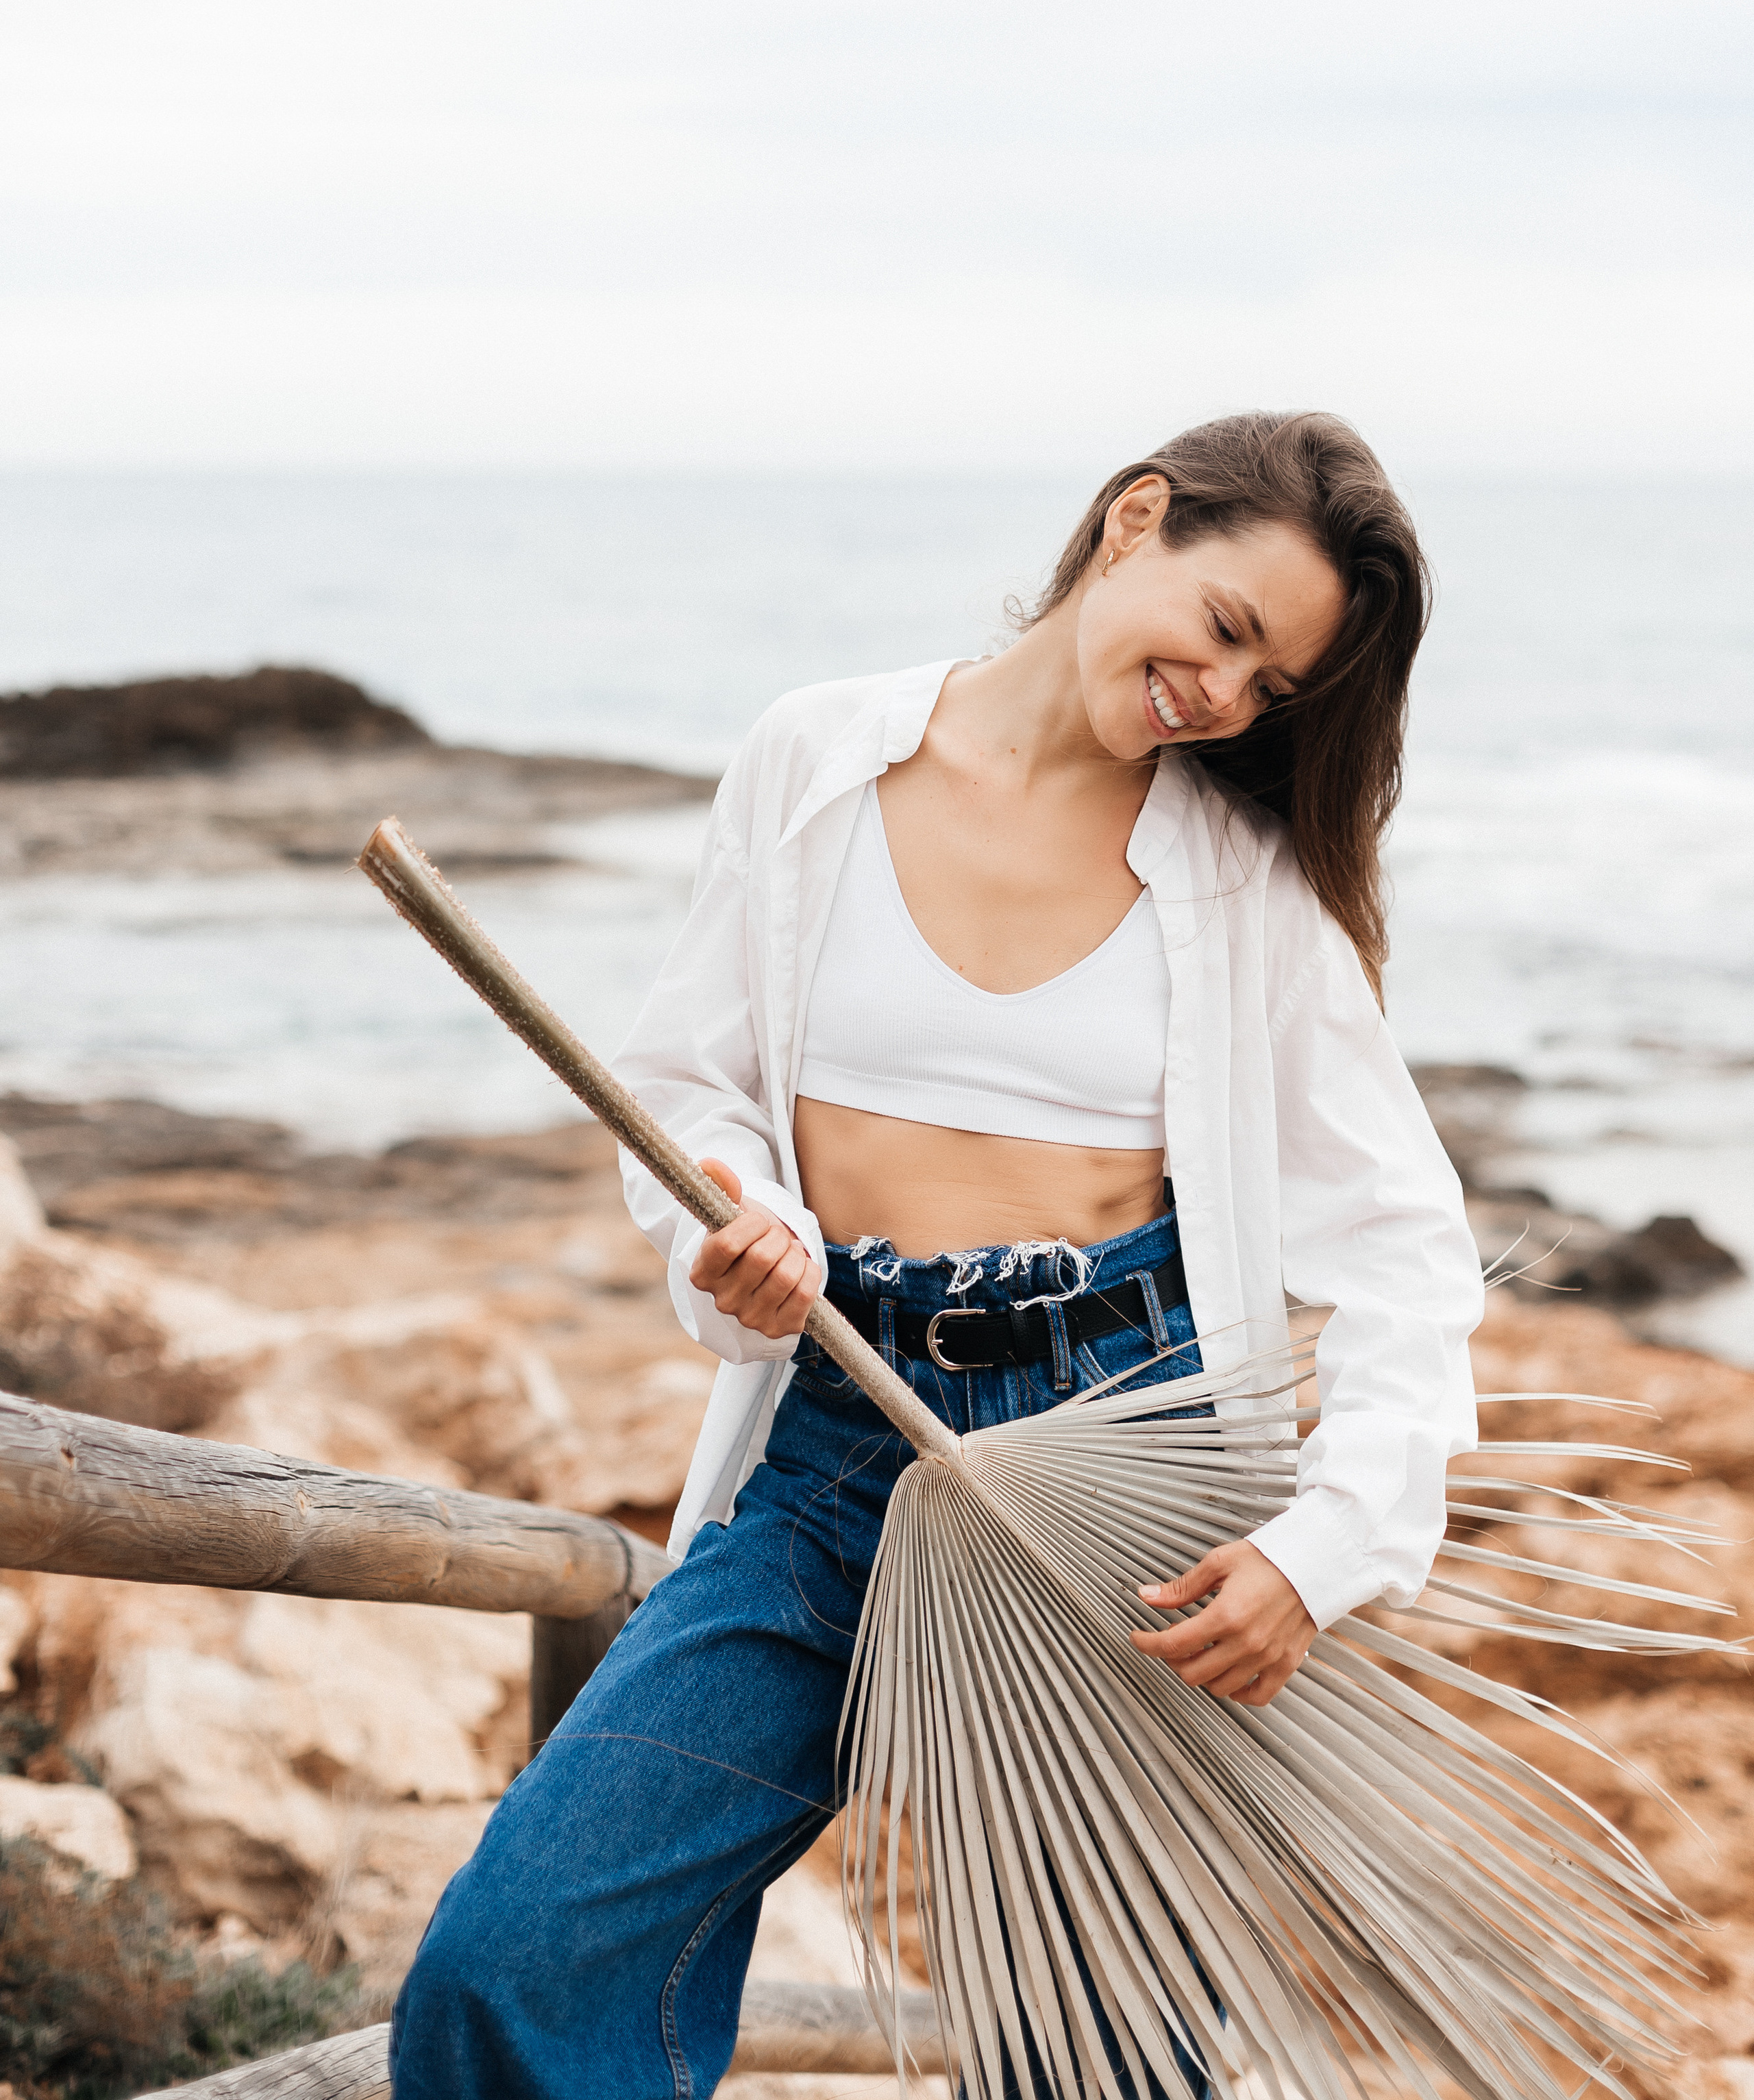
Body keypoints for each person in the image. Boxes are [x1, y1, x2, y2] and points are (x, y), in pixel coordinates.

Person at [390, 410, 1485, 2100]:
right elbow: (691, 1086)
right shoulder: (814, 761)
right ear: (1133, 521)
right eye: (1223, 629)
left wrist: (1326, 1546)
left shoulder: (1243, 884)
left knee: (1103, 2059)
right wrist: (738, 1221)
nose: (1221, 694)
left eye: (1268, 687)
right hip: (836, 1443)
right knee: (514, 1961)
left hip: (1124, 1481)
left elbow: (1404, 1245)